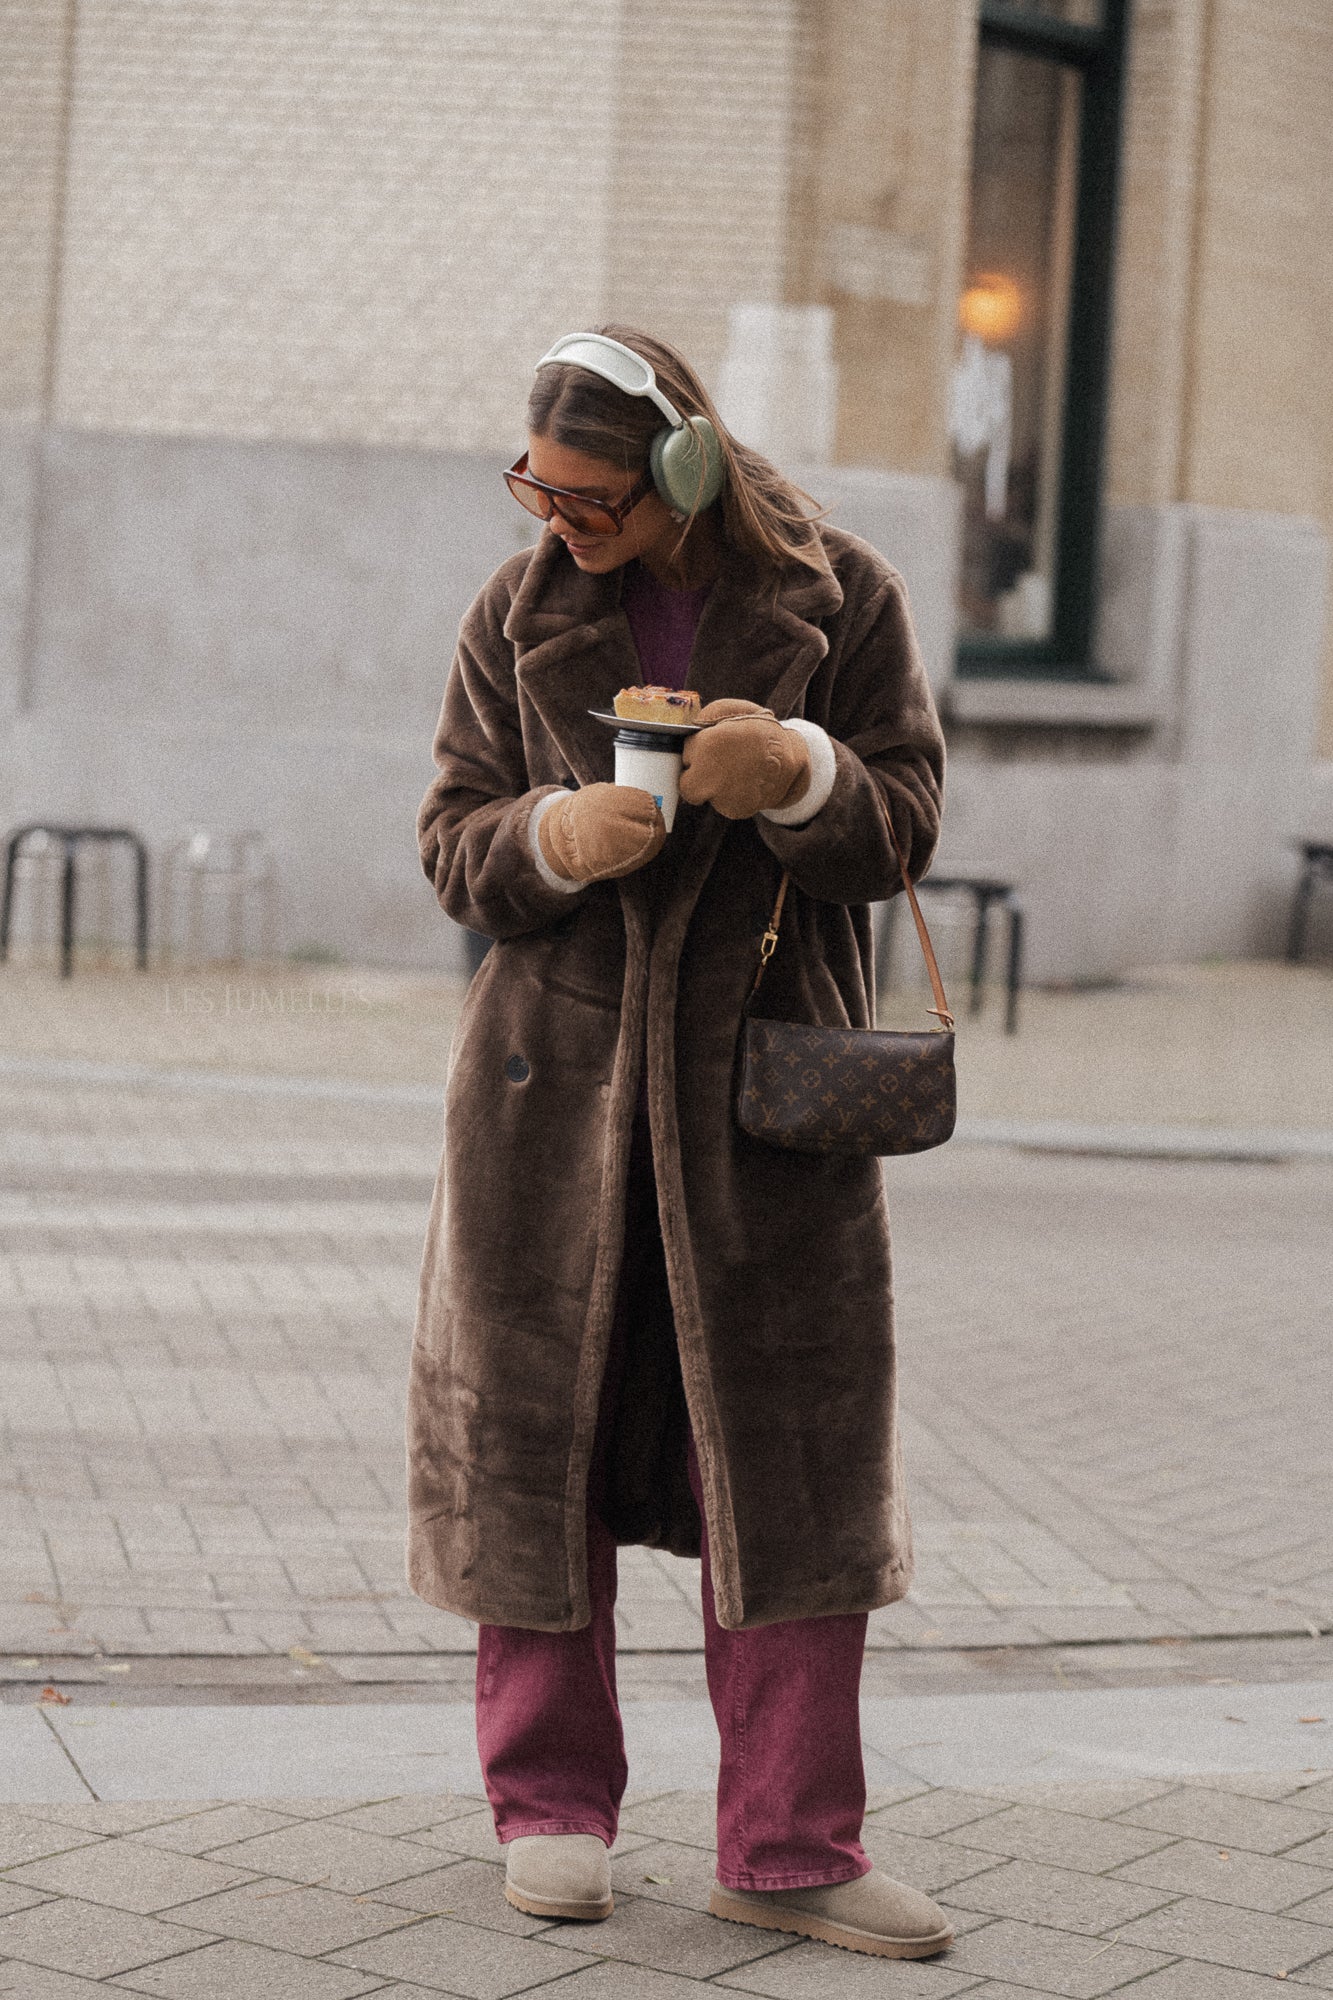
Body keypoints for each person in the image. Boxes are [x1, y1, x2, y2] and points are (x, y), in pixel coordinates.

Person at [408, 327, 952, 1959]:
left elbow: (906, 822)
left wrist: (798, 770)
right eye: (533, 487)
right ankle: (549, 1809)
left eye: (584, 496)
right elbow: (451, 841)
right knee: (531, 1453)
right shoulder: (516, 612)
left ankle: (790, 1844)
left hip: (760, 1116)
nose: (551, 518)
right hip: (542, 1114)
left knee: (780, 1466)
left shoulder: (840, 597)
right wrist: (550, 836)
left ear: (683, 471)